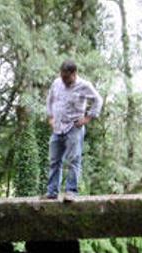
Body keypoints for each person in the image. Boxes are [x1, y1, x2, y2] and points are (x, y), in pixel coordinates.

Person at [45, 60, 103, 202]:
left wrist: (88, 118)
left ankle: (71, 192)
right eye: (62, 76)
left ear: (74, 74)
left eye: (67, 78)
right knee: (54, 160)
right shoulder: (57, 83)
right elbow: (50, 99)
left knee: (73, 159)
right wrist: (50, 117)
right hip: (57, 127)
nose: (64, 80)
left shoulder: (84, 85)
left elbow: (98, 100)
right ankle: (52, 192)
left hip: (73, 127)